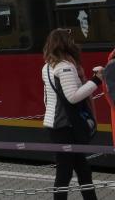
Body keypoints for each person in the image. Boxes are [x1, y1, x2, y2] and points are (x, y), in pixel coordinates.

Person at [42, 28, 102, 200]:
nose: (74, 43)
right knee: (65, 172)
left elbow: (47, 97)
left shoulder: (47, 66)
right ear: (65, 43)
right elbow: (73, 97)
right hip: (64, 126)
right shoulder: (65, 67)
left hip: (55, 124)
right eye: (71, 40)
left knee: (82, 168)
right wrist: (96, 80)